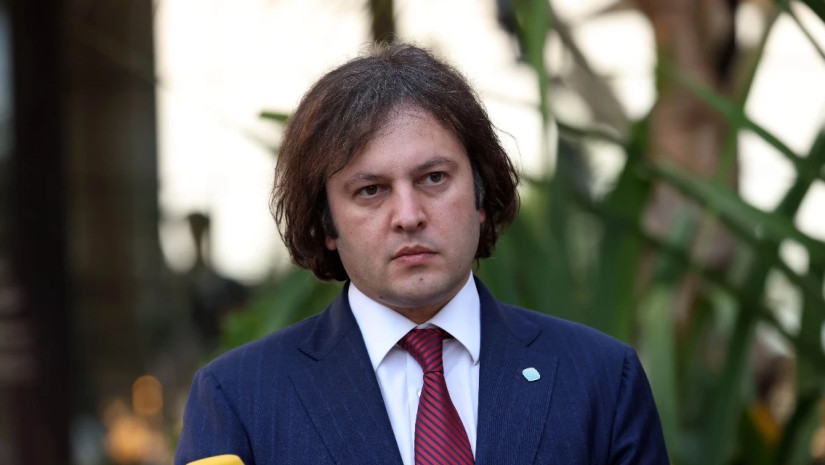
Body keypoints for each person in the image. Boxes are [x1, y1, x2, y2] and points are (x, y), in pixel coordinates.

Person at [175, 43, 669, 465]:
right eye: (371, 190)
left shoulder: (601, 378)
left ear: (480, 196)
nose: (408, 216)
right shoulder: (238, 398)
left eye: (433, 178)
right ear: (326, 224)